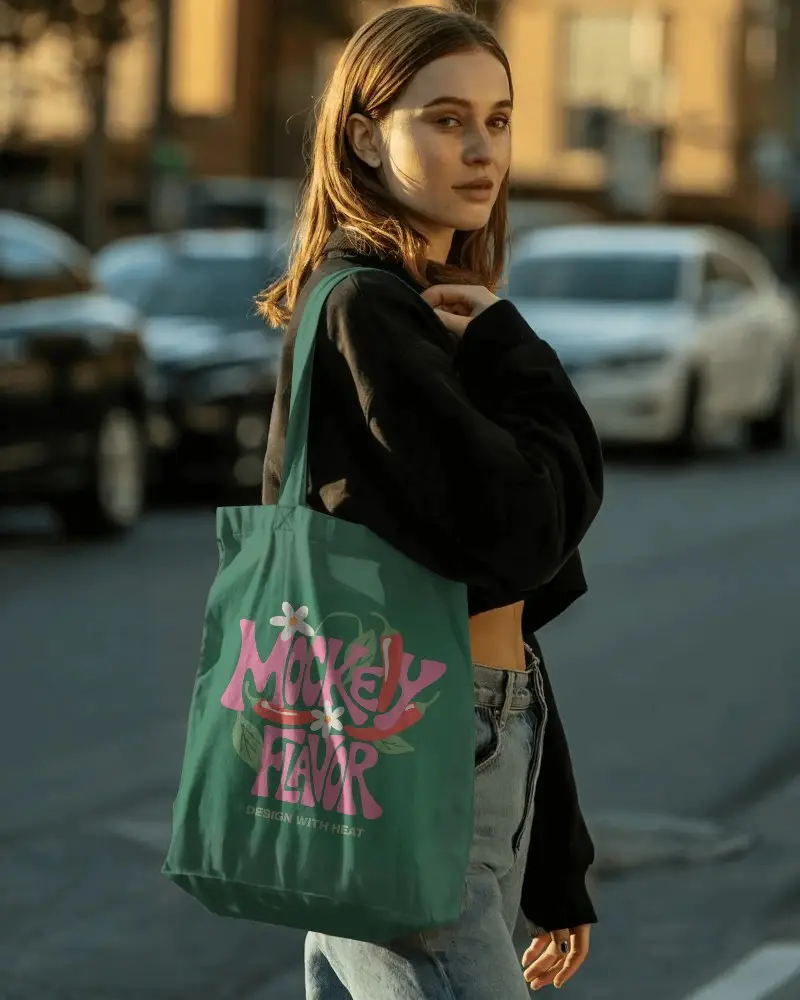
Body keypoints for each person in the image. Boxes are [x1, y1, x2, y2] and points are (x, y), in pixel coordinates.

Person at [257, 5, 604, 997]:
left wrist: (552, 863)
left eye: (497, 121)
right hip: (408, 763)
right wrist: (513, 351)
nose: (479, 148)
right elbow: (524, 530)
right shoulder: (368, 309)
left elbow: (493, 610)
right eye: (444, 118)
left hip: (421, 745)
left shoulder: (414, 303)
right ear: (364, 134)